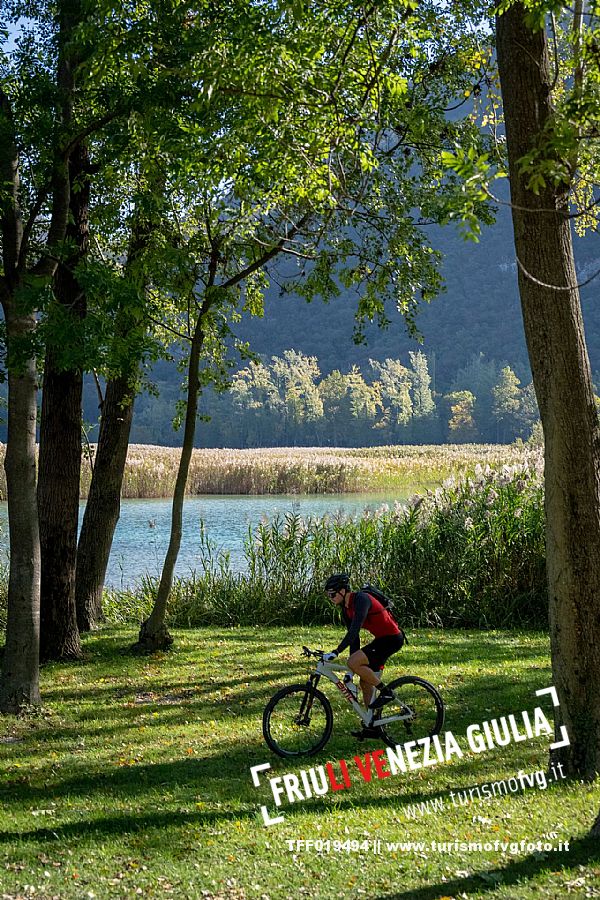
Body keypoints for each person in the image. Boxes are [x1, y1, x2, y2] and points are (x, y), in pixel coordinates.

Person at [322, 572, 404, 739]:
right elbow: (355, 640)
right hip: (381, 640)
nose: (330, 598)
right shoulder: (345, 610)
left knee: (354, 662)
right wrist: (351, 671)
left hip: (392, 639)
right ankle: (373, 725)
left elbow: (354, 630)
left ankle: (386, 692)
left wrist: (336, 651)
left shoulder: (361, 600)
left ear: (342, 591)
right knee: (365, 683)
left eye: (331, 594)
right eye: (327, 595)